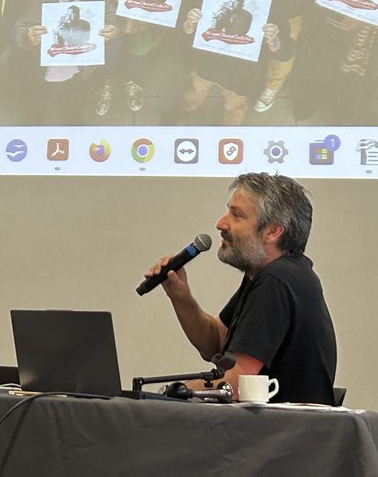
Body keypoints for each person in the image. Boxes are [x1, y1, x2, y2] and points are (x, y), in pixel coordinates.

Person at [143, 172, 336, 404]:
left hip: (281, 435)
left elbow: (235, 385)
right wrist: (179, 294)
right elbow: (215, 341)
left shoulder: (278, 279)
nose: (221, 223)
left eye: (236, 215)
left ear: (272, 231)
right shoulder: (270, 275)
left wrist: (167, 392)